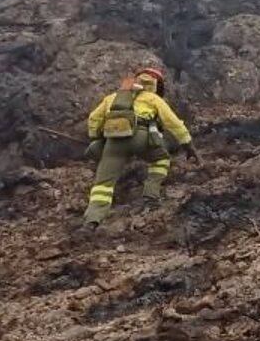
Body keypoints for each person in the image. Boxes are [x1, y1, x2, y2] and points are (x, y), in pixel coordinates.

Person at [82, 67, 196, 225]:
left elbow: (94, 118)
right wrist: (188, 144)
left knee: (103, 184)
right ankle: (150, 195)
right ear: (156, 85)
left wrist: (96, 138)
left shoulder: (113, 97)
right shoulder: (153, 98)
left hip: (114, 141)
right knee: (161, 159)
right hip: (141, 137)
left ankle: (93, 219)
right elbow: (173, 122)